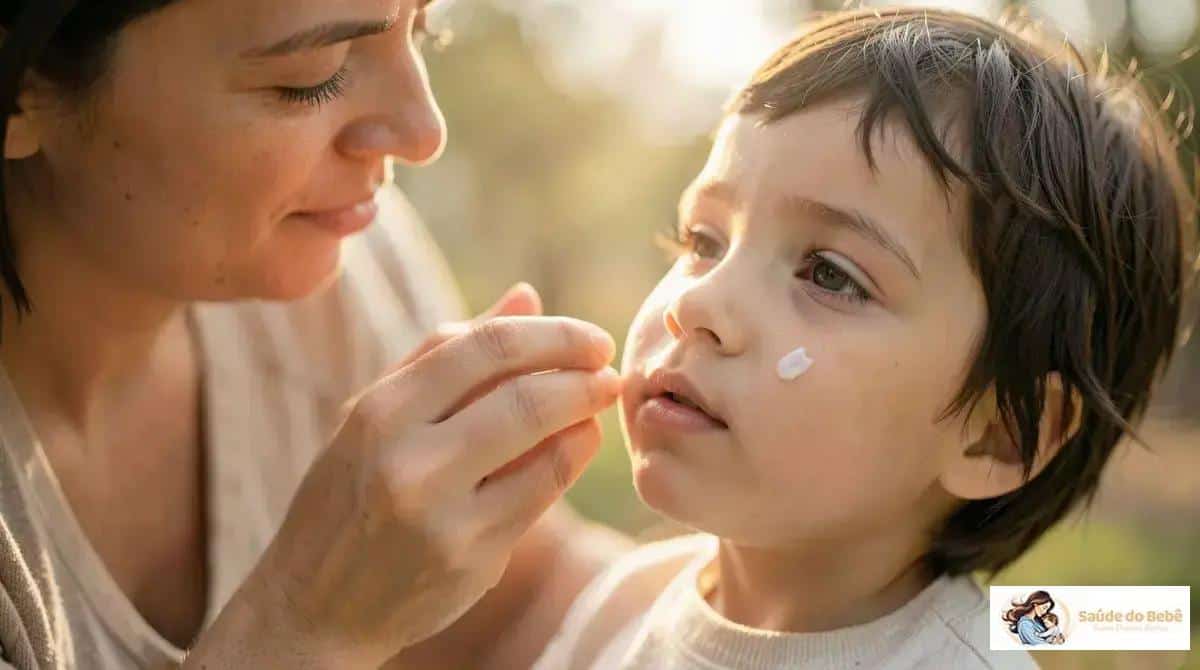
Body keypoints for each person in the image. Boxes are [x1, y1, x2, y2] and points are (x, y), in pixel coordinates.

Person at [532, 8, 1195, 669]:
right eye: (704, 241)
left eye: (829, 274)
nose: (697, 302)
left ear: (997, 433)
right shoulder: (626, 607)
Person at [0, 1, 635, 668]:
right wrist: (302, 623)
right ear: (20, 88)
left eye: (423, 29)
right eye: (313, 76)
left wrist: (735, 578)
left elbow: (524, 608)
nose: (423, 132)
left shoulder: (338, 259)